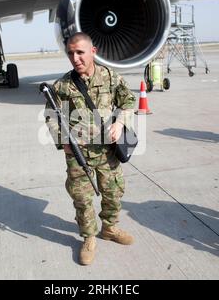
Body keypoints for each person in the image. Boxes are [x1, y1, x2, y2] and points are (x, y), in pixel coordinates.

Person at [44, 32, 136, 265]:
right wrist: (62, 139)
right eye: (70, 53)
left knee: (113, 192)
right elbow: (51, 115)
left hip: (108, 151)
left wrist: (120, 123)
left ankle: (110, 228)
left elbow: (128, 101)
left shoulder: (110, 77)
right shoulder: (62, 86)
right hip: (78, 153)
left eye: (80, 52)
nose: (75, 58)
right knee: (82, 199)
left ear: (92, 51)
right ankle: (88, 238)